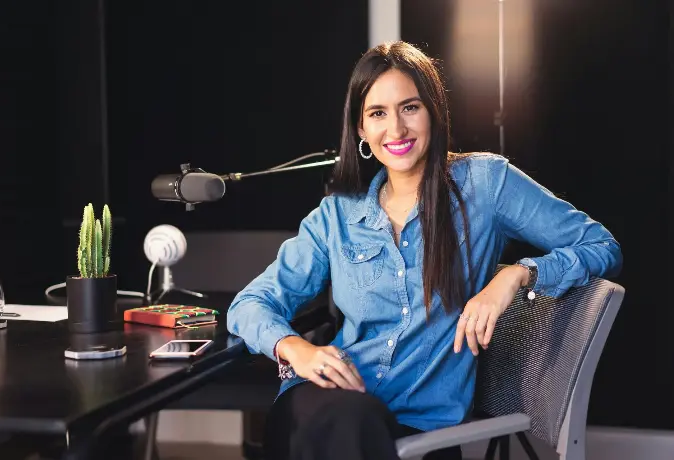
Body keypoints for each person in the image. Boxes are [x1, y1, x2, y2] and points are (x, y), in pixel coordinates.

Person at [227, 41, 622, 460]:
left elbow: (601, 245)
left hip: (419, 425)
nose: (396, 130)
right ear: (360, 130)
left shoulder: (486, 184)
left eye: (410, 108)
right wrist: (297, 349)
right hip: (327, 403)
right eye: (377, 114)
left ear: (433, 110)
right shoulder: (337, 215)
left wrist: (517, 274)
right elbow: (249, 304)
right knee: (341, 421)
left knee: (351, 428)